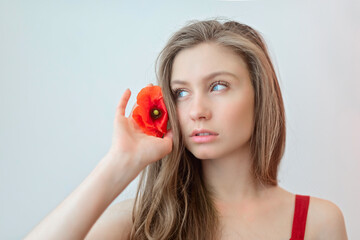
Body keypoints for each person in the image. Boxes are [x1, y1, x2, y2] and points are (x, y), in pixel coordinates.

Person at [25, 18, 348, 240]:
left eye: (218, 86)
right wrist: (120, 163)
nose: (197, 111)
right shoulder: (142, 220)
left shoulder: (317, 221)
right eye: (181, 92)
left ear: (260, 95)